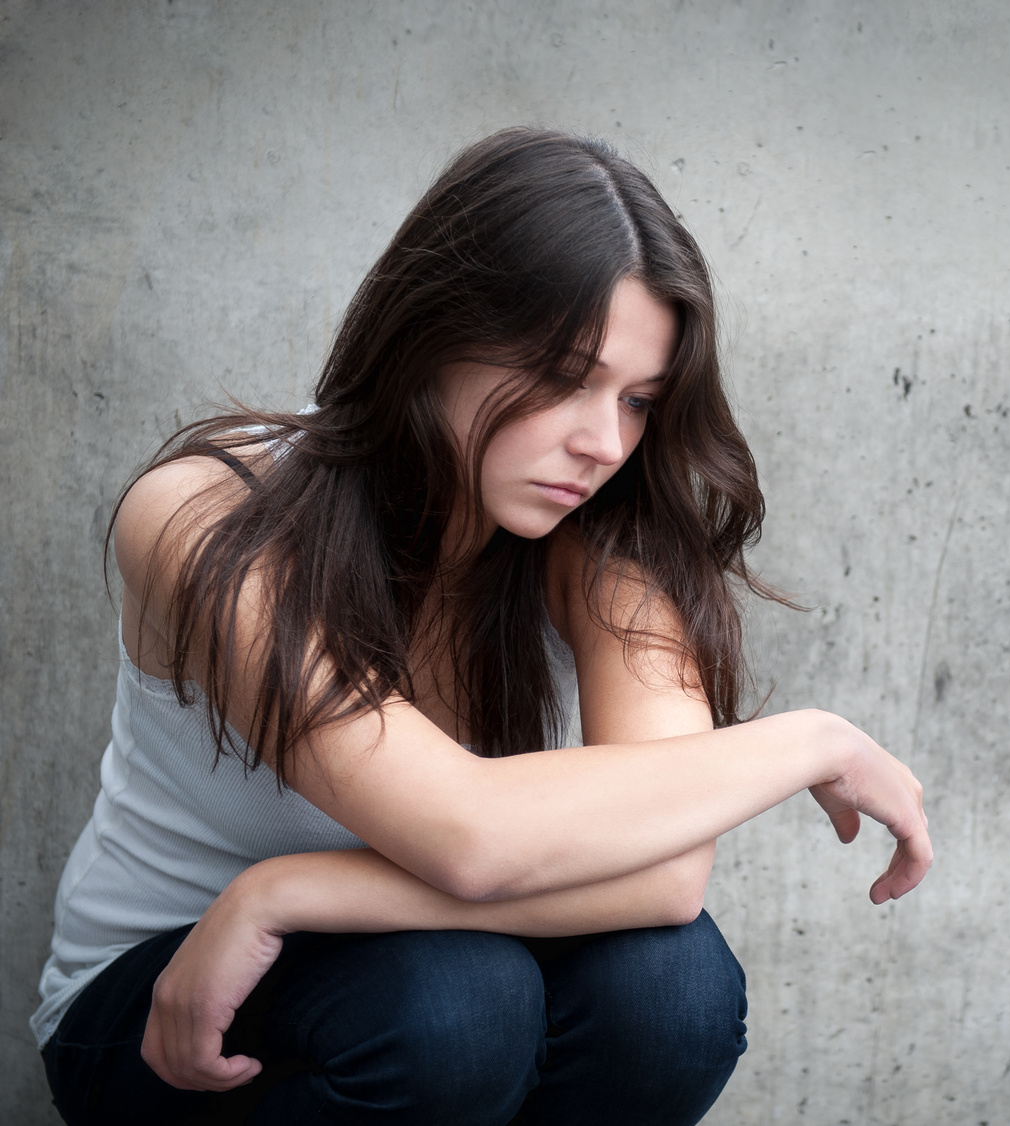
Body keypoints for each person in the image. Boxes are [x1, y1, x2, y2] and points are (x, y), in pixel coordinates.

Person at [32, 128, 932, 1126]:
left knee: (671, 990)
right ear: (432, 334)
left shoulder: (606, 538)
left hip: (416, 968)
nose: (601, 442)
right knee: (456, 1005)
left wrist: (288, 892)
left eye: (636, 400)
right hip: (169, 1008)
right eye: (559, 377)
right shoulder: (210, 515)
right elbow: (467, 837)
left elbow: (668, 874)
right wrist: (810, 739)